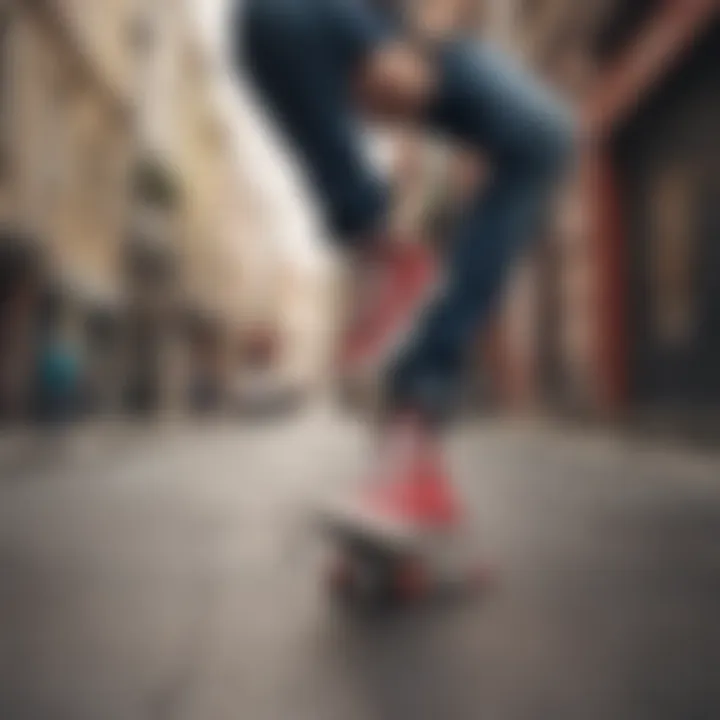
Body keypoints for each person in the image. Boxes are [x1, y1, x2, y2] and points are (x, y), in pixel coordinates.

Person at [234, 0, 575, 533]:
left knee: (543, 134)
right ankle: (377, 248)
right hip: (325, 19)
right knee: (271, 15)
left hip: (419, 32)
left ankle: (419, 410)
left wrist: (417, 47)